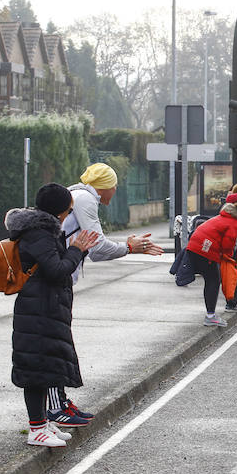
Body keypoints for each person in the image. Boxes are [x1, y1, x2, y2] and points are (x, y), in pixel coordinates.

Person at [53, 162, 163, 427]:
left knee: (58, 343)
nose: (115, 191)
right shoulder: (86, 200)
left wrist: (127, 247)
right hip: (56, 279)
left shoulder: (78, 196)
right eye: (114, 185)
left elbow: (93, 249)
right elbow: (99, 246)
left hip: (60, 276)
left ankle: (59, 402)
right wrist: (128, 247)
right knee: (55, 344)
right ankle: (55, 408)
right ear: (106, 187)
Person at [7, 183, 99, 446]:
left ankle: (43, 423)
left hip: (44, 309)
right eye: (69, 211)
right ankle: (36, 429)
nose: (69, 216)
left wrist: (77, 249)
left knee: (45, 367)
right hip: (38, 311)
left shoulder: (42, 231)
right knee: (36, 370)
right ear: (59, 211)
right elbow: (57, 270)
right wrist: (76, 249)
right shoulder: (40, 234)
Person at [185, 200, 237, 326]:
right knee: (213, 281)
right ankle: (210, 316)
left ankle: (210, 314)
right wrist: (227, 257)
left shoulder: (224, 216)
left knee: (211, 279)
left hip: (195, 244)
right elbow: (228, 243)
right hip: (205, 249)